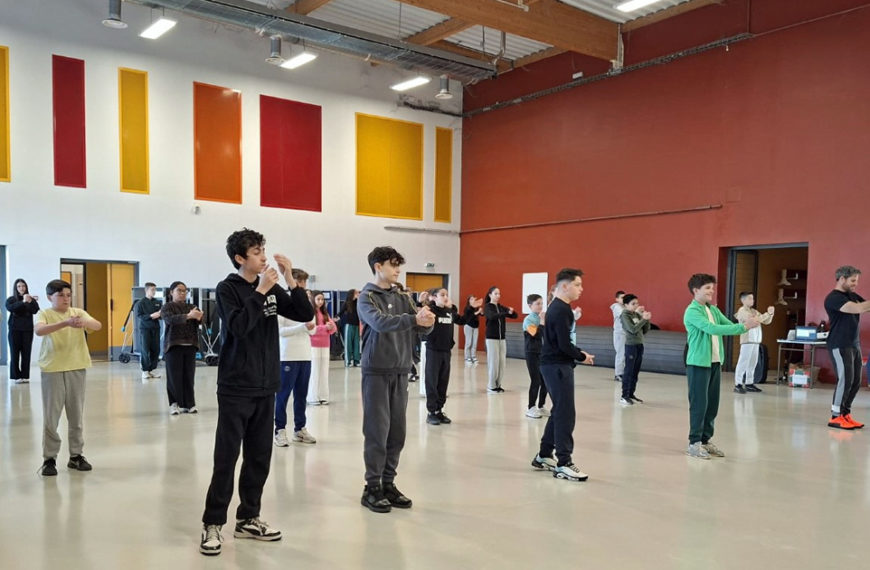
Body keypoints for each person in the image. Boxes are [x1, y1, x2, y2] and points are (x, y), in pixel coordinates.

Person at [200, 228, 314, 557]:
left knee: (259, 457)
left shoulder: (274, 287)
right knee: (226, 458)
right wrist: (261, 291)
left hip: (266, 385)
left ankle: (249, 517)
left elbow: (305, 315)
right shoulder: (228, 289)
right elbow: (237, 327)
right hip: (236, 386)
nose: (264, 256)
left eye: (263, 249)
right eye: (256, 251)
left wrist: (291, 279)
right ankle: (212, 522)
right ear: (240, 258)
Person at [357, 246, 434, 513]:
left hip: (401, 370)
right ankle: (372, 487)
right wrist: (414, 318)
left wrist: (427, 321)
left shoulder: (403, 296)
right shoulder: (367, 297)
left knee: (397, 432)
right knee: (377, 431)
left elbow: (418, 323)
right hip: (376, 370)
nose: (397, 269)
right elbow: (380, 323)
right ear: (378, 266)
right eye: (393, 265)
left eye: (398, 265)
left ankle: (388, 482)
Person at [683, 273, 758, 459]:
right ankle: (694, 443)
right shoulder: (692, 311)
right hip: (698, 364)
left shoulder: (713, 310)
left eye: (712, 288)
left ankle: (705, 440)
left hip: (714, 362)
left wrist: (754, 320)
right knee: (699, 404)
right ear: (695, 290)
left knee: (712, 404)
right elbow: (712, 329)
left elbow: (728, 325)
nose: (712, 291)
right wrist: (744, 327)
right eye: (707, 288)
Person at [530, 268, 593, 482]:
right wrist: (581, 355)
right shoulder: (561, 309)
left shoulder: (558, 308)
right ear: (564, 286)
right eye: (578, 285)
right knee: (566, 414)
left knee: (559, 411)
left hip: (555, 364)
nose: (581, 289)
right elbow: (564, 344)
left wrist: (578, 353)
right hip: (557, 366)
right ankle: (564, 463)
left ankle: (544, 455)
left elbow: (561, 341)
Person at [34, 279, 102, 476]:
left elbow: (97, 326)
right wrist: (64, 323)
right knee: (51, 417)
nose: (65, 299)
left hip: (76, 367)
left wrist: (84, 322)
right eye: (61, 295)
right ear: (50, 297)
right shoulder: (45, 313)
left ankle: (76, 456)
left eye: (68, 295)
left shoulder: (78, 312)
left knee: (76, 415)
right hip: (53, 369)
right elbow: (39, 330)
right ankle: (49, 459)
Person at [824, 266, 870, 430]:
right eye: (852, 281)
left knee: (855, 381)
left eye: (856, 281)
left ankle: (845, 414)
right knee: (845, 380)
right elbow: (858, 308)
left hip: (853, 343)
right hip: (839, 343)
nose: (855, 284)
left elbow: (866, 305)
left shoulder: (851, 295)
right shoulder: (833, 298)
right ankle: (835, 416)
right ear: (841, 279)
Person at [275, 268, 317, 446]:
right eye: (300, 282)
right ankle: (280, 429)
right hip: (288, 356)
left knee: (301, 395)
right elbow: (280, 331)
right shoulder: (283, 303)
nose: (302, 285)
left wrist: (308, 328)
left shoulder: (306, 304)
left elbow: (313, 329)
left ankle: (300, 429)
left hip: (305, 356)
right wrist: (302, 328)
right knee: (283, 395)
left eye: (304, 282)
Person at [423, 287, 475, 425]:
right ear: (434, 297)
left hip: (446, 351)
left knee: (443, 381)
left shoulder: (449, 312)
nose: (445, 297)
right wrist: (423, 303)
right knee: (432, 381)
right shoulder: (431, 311)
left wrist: (470, 308)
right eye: (442, 295)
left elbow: (463, 320)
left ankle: (439, 410)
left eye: (446, 294)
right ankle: (431, 412)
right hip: (433, 350)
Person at [161, 281, 202, 415]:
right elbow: (169, 320)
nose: (182, 293)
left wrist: (199, 316)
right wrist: (188, 316)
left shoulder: (192, 306)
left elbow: (200, 319)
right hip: (173, 345)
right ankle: (174, 404)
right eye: (179, 290)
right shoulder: (167, 307)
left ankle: (190, 404)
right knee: (174, 376)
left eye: (185, 291)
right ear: (171, 292)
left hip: (190, 345)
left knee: (189, 376)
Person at [733, 292, 774, 394]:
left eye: (753, 299)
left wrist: (770, 314)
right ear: (743, 300)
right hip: (747, 341)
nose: (752, 301)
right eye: (750, 298)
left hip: (755, 341)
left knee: (753, 363)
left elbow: (766, 321)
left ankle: (749, 383)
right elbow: (754, 321)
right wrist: (766, 314)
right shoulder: (742, 311)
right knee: (743, 362)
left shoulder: (754, 311)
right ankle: (738, 384)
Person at [483, 286, 517, 393]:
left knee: (502, 363)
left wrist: (511, 311)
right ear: (490, 295)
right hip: (491, 338)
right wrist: (506, 313)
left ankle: (498, 384)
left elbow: (514, 316)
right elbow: (492, 316)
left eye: (499, 294)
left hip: (502, 338)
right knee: (494, 362)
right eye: (496, 294)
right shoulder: (488, 307)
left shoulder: (501, 307)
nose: (498, 296)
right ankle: (491, 385)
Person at [619, 294, 651, 405]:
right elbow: (632, 330)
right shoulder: (624, 315)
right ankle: (624, 395)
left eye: (637, 303)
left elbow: (644, 330)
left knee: (635, 371)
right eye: (633, 304)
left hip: (639, 345)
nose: (636, 305)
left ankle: (631, 394)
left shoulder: (636, 315)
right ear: (626, 305)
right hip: (631, 346)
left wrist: (646, 319)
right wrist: (643, 319)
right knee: (629, 370)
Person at [5, 278, 39, 384]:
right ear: (16, 288)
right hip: (14, 330)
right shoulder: (11, 299)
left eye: (23, 286)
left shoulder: (30, 299)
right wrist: (23, 301)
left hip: (27, 330)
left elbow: (35, 310)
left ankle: (25, 376)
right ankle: (16, 376)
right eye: (19, 286)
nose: (21, 288)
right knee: (14, 354)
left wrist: (29, 301)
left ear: (26, 287)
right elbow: (10, 308)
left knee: (26, 354)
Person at [307, 290, 337, 405]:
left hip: (325, 345)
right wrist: (324, 328)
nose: (320, 302)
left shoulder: (325, 313)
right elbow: (311, 329)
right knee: (314, 371)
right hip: (313, 345)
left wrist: (330, 326)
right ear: (313, 300)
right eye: (318, 299)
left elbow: (333, 329)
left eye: (322, 299)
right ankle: (312, 396)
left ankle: (323, 396)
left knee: (324, 371)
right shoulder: (310, 312)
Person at [523, 294, 548, 419]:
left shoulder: (541, 318)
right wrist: (542, 322)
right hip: (532, 353)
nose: (540, 306)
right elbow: (535, 334)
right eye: (537, 304)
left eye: (541, 303)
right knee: (536, 380)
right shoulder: (528, 320)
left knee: (545, 381)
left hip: (542, 353)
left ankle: (541, 406)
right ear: (530, 305)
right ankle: (531, 407)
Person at [135, 282, 163, 381]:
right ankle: (145, 370)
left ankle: (153, 369)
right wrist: (151, 316)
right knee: (145, 349)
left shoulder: (158, 302)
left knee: (156, 349)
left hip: (155, 328)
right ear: (146, 290)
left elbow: (161, 315)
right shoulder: (141, 303)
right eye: (152, 290)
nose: (154, 292)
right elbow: (139, 316)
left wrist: (159, 315)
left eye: (155, 290)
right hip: (145, 329)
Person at [340, 289, 361, 367]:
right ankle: (348, 361)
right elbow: (340, 313)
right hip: (349, 326)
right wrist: (336, 318)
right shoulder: (347, 303)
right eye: (356, 293)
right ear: (352, 294)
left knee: (356, 344)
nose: (358, 294)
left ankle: (356, 361)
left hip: (357, 326)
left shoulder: (358, 303)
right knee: (348, 344)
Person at [462, 295, 484, 363]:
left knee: (474, 343)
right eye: (471, 299)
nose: (473, 300)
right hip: (468, 326)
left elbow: (482, 314)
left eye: (474, 299)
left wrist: (481, 311)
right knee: (468, 342)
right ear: (469, 301)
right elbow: (471, 316)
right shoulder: (467, 308)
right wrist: (478, 312)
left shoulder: (476, 307)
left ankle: (473, 356)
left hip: (475, 327)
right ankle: (467, 357)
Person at [610, 291, 625, 382]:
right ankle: (618, 374)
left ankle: (623, 372)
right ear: (617, 299)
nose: (624, 299)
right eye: (622, 297)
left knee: (625, 354)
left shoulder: (625, 307)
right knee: (621, 353)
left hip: (626, 333)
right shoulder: (616, 307)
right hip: (619, 333)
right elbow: (623, 314)